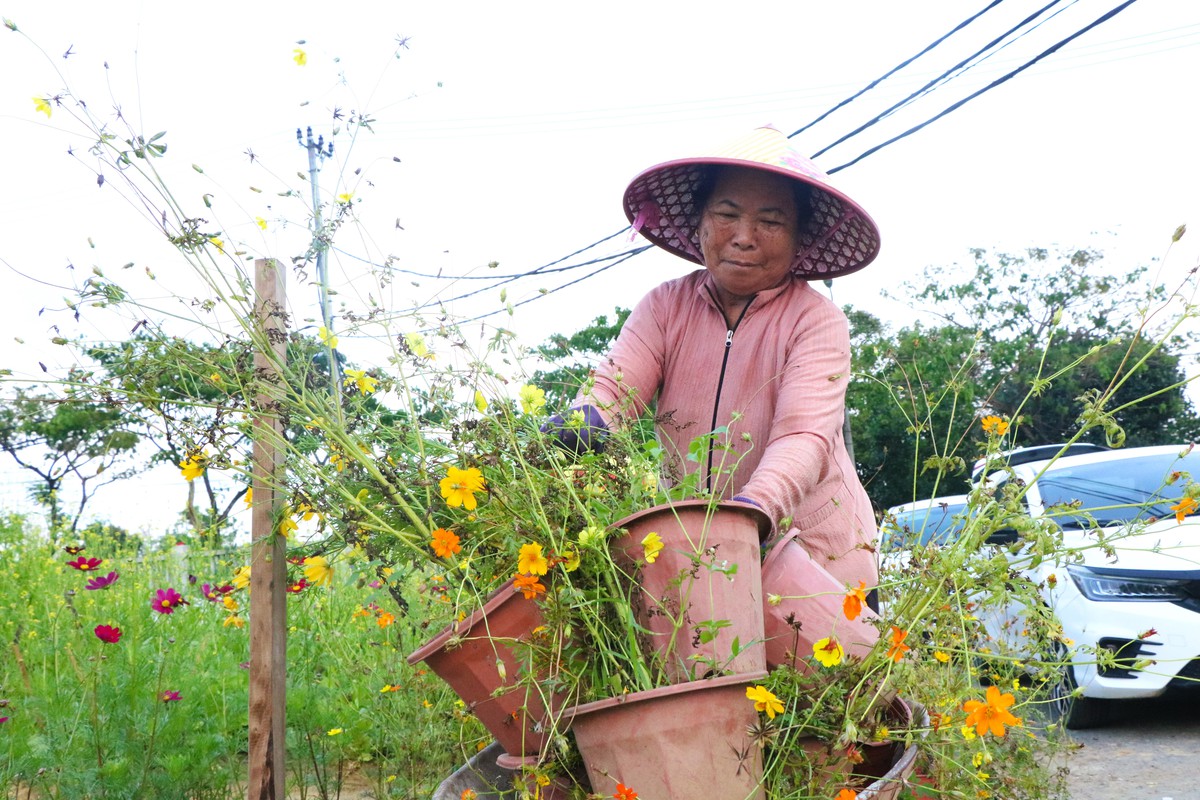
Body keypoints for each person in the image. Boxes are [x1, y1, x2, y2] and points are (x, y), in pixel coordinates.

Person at [551, 125, 881, 590]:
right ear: (700, 223)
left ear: (799, 238)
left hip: (814, 557)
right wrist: (583, 424)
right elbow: (614, 390)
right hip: (699, 558)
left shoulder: (816, 321)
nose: (744, 237)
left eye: (771, 222)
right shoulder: (665, 307)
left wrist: (750, 514)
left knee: (820, 661)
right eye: (726, 214)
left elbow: (803, 436)